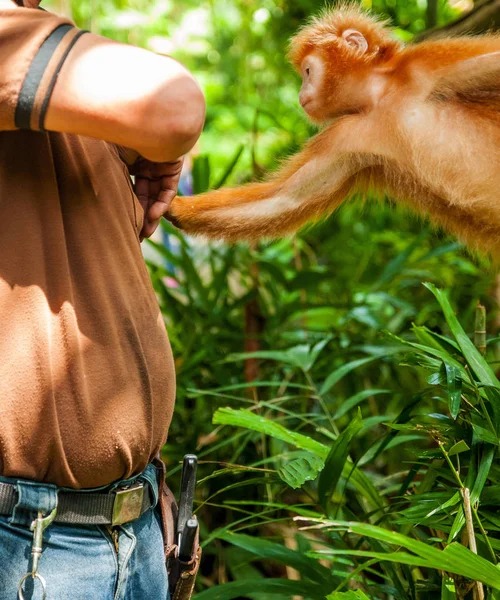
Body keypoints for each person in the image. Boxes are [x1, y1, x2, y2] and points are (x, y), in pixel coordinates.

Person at [0, 0, 205, 598]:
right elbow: (171, 102)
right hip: (31, 540)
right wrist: (160, 148)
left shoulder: (54, 76)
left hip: (128, 527)